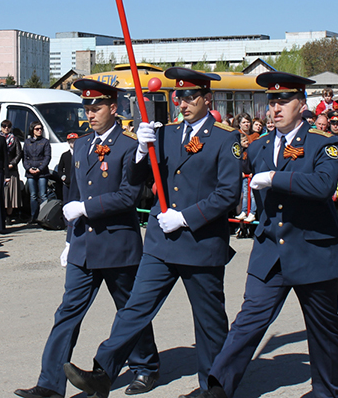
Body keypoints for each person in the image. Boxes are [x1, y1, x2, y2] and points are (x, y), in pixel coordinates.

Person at [65, 68, 242, 398]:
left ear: (207, 99)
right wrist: (142, 151)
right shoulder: (166, 133)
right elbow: (139, 178)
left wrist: (186, 217)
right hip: (162, 243)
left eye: (190, 96)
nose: (183, 103)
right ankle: (104, 372)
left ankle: (214, 386)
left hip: (200, 242)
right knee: (134, 309)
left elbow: (228, 193)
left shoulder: (223, 138)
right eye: (179, 96)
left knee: (209, 321)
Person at [200, 71, 338, 398]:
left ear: (302, 103)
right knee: (248, 322)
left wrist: (274, 178)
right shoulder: (259, 147)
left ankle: (328, 392)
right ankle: (218, 387)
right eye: (272, 101)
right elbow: (223, 170)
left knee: (323, 330)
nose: (277, 107)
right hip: (271, 251)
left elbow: (323, 185)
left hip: (313, 251)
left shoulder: (322, 142)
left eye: (284, 100)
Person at [16, 79, 159, 398]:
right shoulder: (80, 145)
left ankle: (146, 365)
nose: (90, 114)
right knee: (67, 312)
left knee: (129, 310)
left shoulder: (129, 146)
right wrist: (69, 240)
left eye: (96, 108)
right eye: (87, 108)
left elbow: (129, 196)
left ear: (114, 108)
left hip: (117, 245)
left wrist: (87, 207)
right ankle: (50, 383)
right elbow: (73, 196)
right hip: (83, 245)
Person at [23, 121, 51, 223]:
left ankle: (44, 217)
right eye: (37, 129)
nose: (39, 131)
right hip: (30, 171)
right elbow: (24, 158)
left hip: (42, 171)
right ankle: (33, 216)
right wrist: (28, 168)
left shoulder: (45, 142)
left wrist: (40, 168)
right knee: (33, 195)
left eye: (41, 129)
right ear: (32, 130)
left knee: (43, 195)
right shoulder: (27, 142)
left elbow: (47, 157)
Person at [1, 119, 23, 223]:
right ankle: (1, 214)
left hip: (11, 169)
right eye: (4, 126)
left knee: (10, 195)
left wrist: (11, 164)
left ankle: (9, 216)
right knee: (2, 194)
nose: (6, 128)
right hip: (0, 169)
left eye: (8, 126)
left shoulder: (15, 139)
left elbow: (19, 154)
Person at [53, 132, 77, 203]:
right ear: (68, 142)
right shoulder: (65, 155)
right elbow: (60, 168)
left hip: (77, 184)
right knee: (66, 202)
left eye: (74, 141)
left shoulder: (80, 154)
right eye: (71, 141)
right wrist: (63, 176)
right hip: (67, 184)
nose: (72, 143)